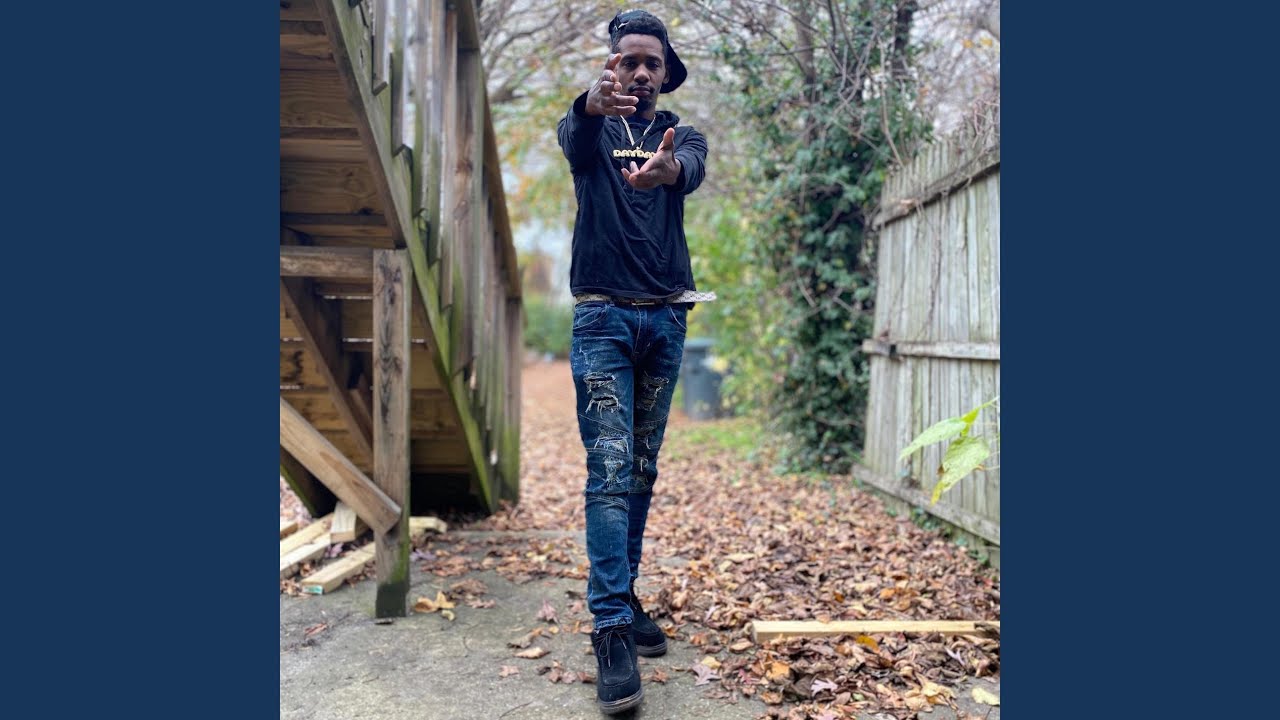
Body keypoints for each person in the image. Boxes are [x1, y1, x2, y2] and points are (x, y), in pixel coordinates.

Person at [556, 8, 712, 715]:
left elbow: (689, 170)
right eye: (629, 61)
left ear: (666, 72)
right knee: (611, 469)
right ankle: (611, 628)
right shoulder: (589, 129)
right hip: (602, 318)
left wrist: (668, 168)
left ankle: (623, 594)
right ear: (611, 67)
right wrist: (591, 105)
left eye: (653, 63)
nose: (641, 72)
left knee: (641, 469)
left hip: (667, 317)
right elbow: (575, 134)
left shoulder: (684, 135)